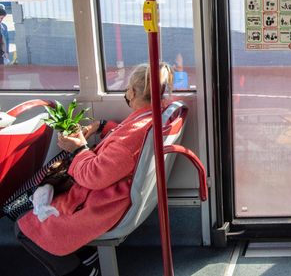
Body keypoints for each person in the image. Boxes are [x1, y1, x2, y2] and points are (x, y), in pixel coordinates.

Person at [14, 63, 173, 276]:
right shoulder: (149, 117)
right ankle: (88, 255)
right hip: (109, 196)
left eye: (127, 88)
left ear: (133, 92)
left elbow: (94, 176)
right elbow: (123, 143)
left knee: (24, 228)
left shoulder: (134, 135)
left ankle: (82, 272)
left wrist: (78, 148)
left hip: (101, 204)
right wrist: (101, 126)